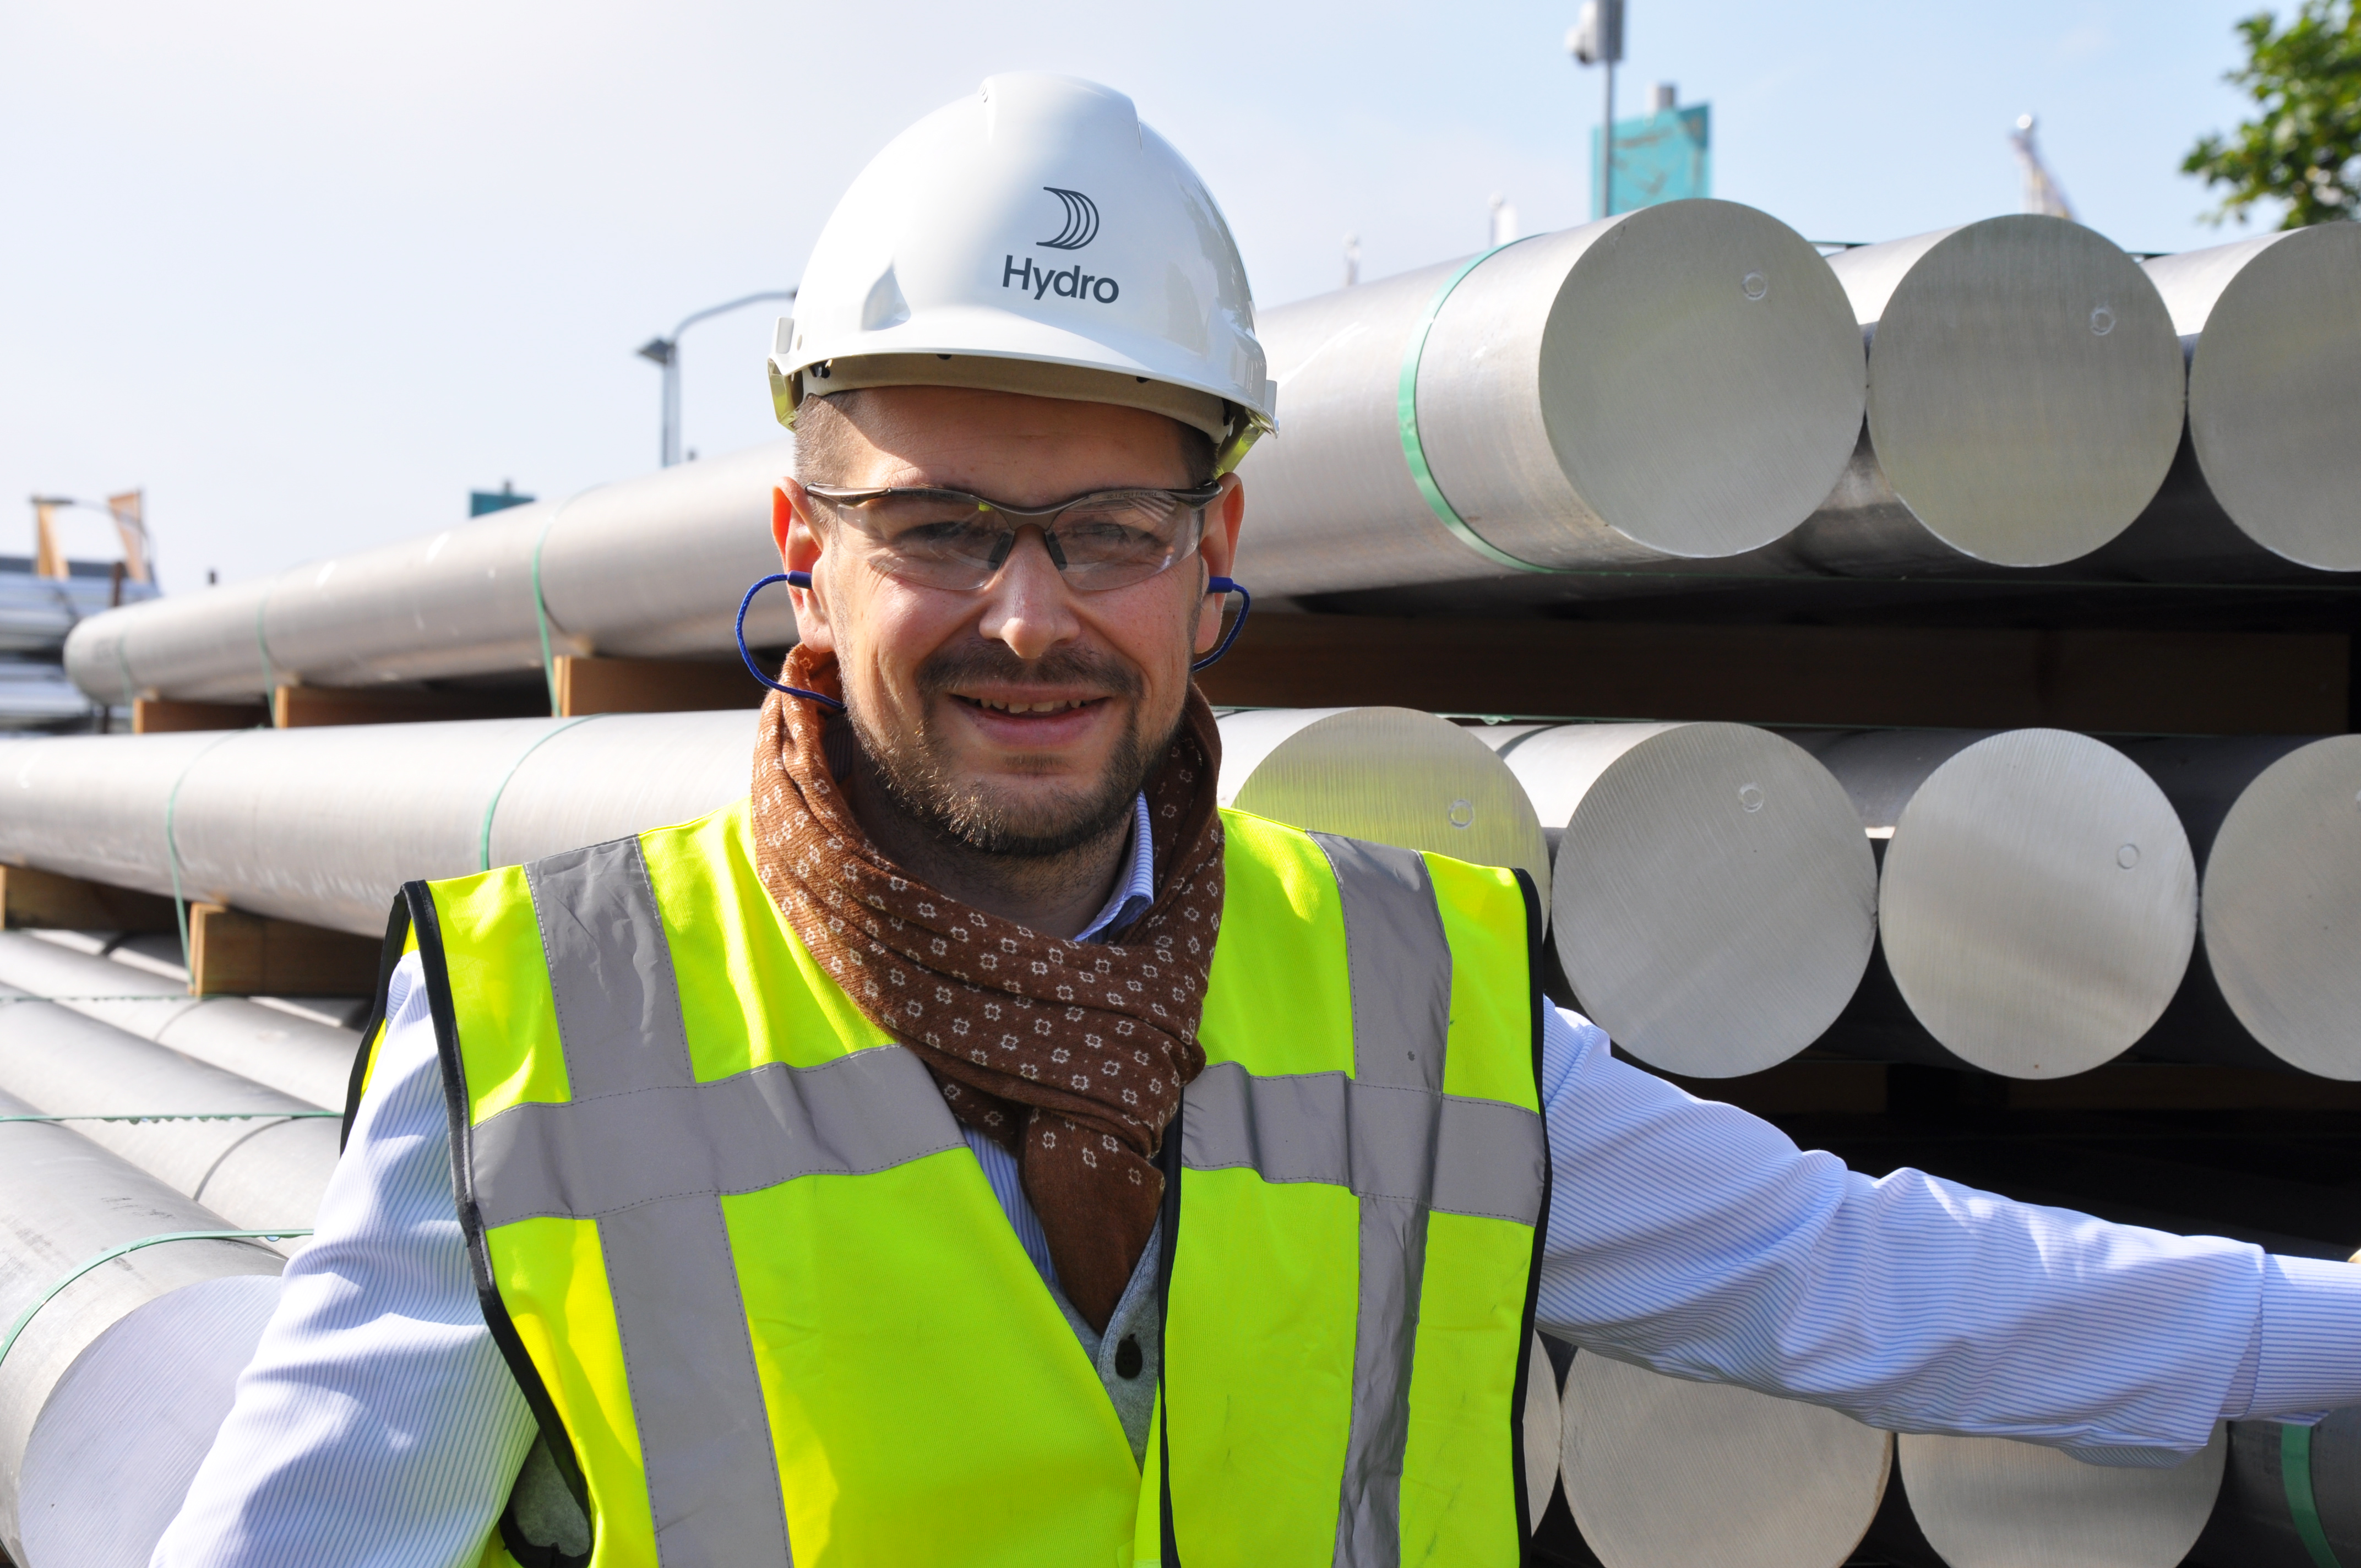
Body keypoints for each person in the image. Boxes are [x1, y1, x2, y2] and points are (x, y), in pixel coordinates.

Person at [156, 72, 2361, 1568]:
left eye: (1106, 530)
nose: (1029, 616)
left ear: (1214, 546)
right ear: (799, 540)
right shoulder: (556, 1031)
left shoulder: (1412, 1004)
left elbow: (1876, 1280)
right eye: (938, 526)